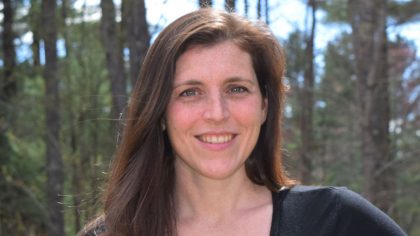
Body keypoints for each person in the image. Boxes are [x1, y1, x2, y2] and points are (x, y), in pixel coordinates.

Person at [79, 8, 406, 236]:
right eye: (190, 92)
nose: (217, 112)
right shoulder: (113, 234)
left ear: (265, 105)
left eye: (237, 88)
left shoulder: (335, 222)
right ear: (160, 111)